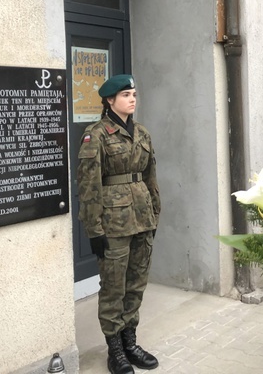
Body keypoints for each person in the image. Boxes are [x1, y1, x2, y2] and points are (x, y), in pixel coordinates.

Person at [78, 74, 160, 374]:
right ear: (110, 100)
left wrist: (155, 213)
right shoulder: (96, 135)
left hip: (142, 219)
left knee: (135, 285)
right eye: (126, 94)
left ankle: (130, 341)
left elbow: (151, 177)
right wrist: (94, 229)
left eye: (134, 93)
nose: (132, 99)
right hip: (113, 224)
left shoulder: (142, 133)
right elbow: (88, 186)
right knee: (113, 287)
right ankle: (115, 350)